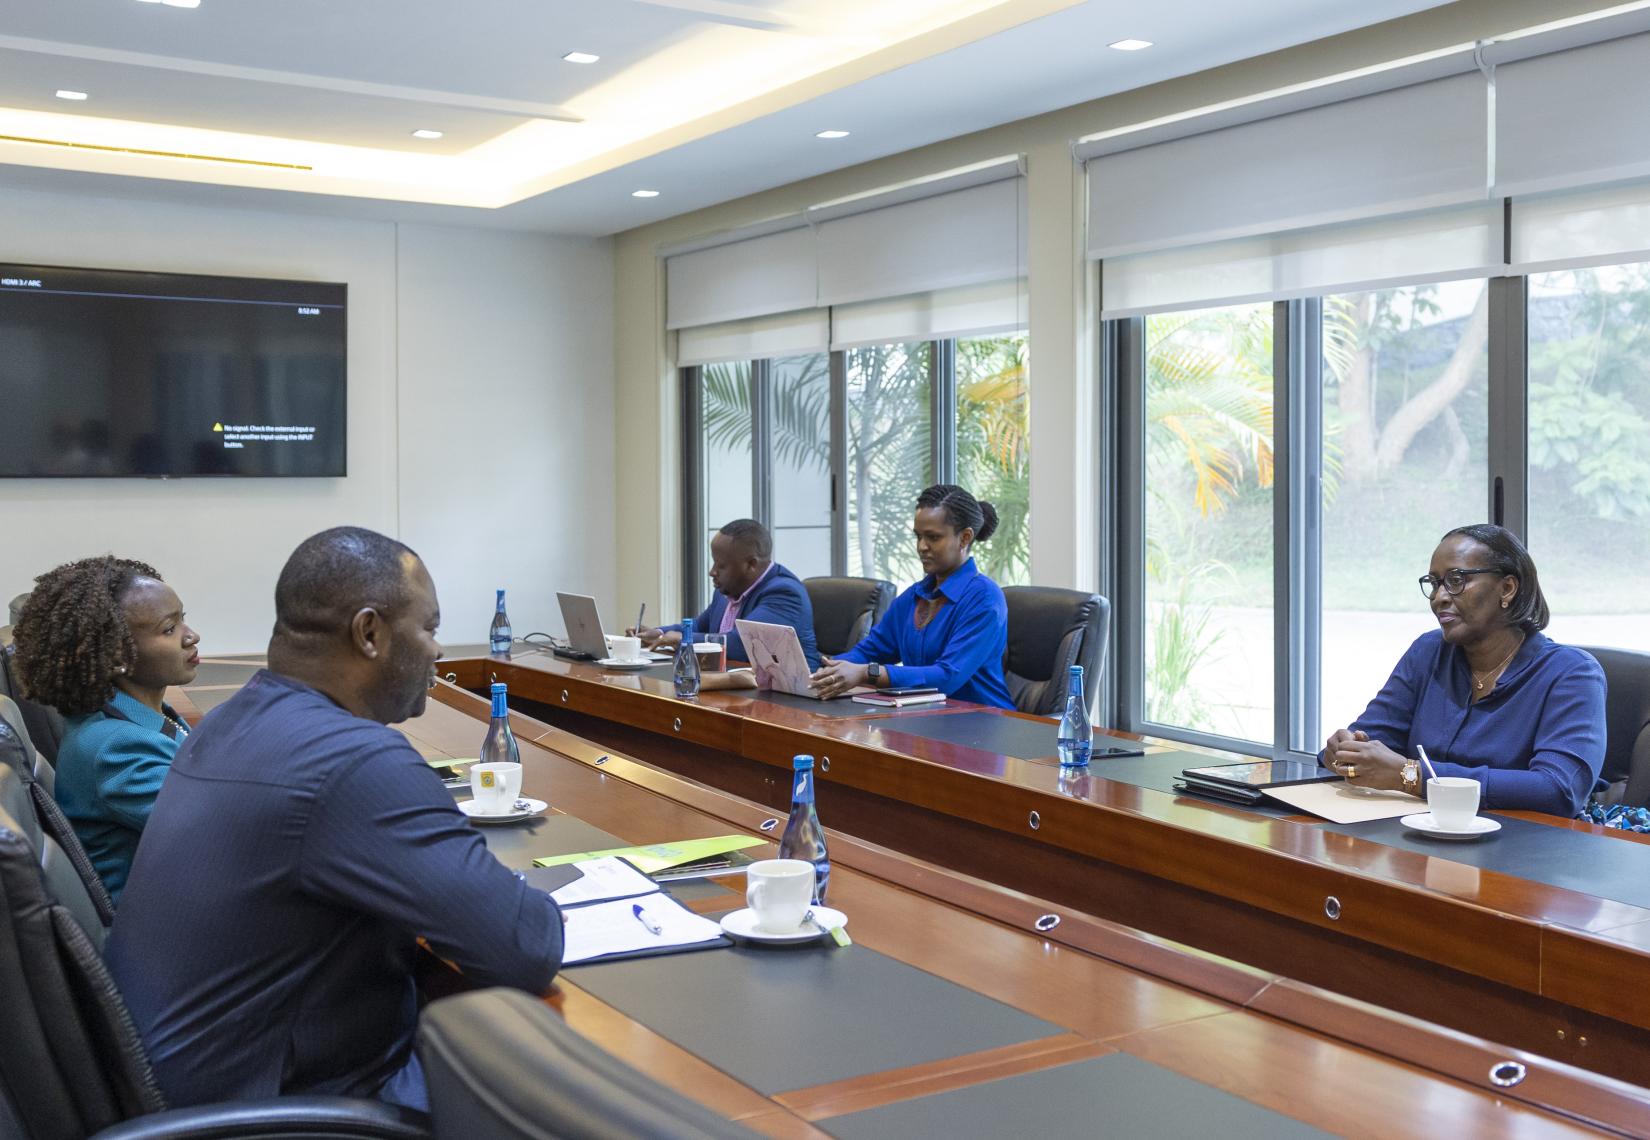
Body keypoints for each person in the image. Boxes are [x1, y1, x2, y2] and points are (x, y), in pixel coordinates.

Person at [108, 527, 563, 1112]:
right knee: (560, 1081)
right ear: (369, 633)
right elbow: (524, 945)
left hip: (204, 1085)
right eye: (430, 629)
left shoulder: (227, 721)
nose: (438, 652)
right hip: (279, 1112)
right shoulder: (354, 760)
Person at [1323, 523, 1606, 818]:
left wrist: (1413, 776)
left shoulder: (1572, 673)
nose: (1438, 597)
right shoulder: (1428, 651)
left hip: (1525, 847)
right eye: (1434, 583)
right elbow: (1374, 735)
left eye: (1456, 580)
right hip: (1422, 833)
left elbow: (1558, 790)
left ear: (1507, 588)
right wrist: (1345, 751)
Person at [11, 556, 199, 904]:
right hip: (158, 925)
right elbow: (216, 832)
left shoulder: (136, 715)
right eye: (169, 629)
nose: (191, 636)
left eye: (182, 619)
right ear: (116, 657)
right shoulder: (118, 748)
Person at [810, 484, 1014, 709]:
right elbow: (871, 650)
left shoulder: (985, 598)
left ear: (964, 538)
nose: (921, 547)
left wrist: (866, 673)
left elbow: (947, 676)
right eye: (918, 536)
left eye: (933, 537)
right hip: (925, 719)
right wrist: (827, 670)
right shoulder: (913, 597)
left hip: (985, 728)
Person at [640, 518, 820, 669]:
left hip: (790, 700)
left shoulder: (784, 593)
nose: (712, 571)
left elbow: (743, 645)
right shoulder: (727, 589)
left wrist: (683, 639)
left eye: (721, 565)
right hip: (736, 685)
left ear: (751, 564)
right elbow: (700, 626)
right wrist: (659, 633)